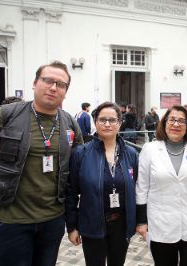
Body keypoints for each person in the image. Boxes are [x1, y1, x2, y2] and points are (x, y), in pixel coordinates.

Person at [0, 61, 83, 266]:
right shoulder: (5, 115)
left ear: (66, 91)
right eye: (48, 80)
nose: (53, 87)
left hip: (52, 220)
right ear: (35, 83)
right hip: (10, 221)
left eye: (61, 84)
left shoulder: (70, 123)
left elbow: (77, 166)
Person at [66, 101, 139, 266]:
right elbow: (71, 193)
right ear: (95, 122)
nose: (107, 124)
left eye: (112, 120)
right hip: (92, 224)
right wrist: (72, 227)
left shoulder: (131, 154)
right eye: (102, 119)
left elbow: (137, 189)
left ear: (120, 123)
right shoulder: (81, 154)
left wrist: (138, 221)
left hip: (121, 225)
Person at [136, 105, 187, 266]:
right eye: (172, 120)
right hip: (160, 223)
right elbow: (142, 187)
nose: (176, 124)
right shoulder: (150, 149)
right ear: (164, 123)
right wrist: (141, 221)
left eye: (182, 121)